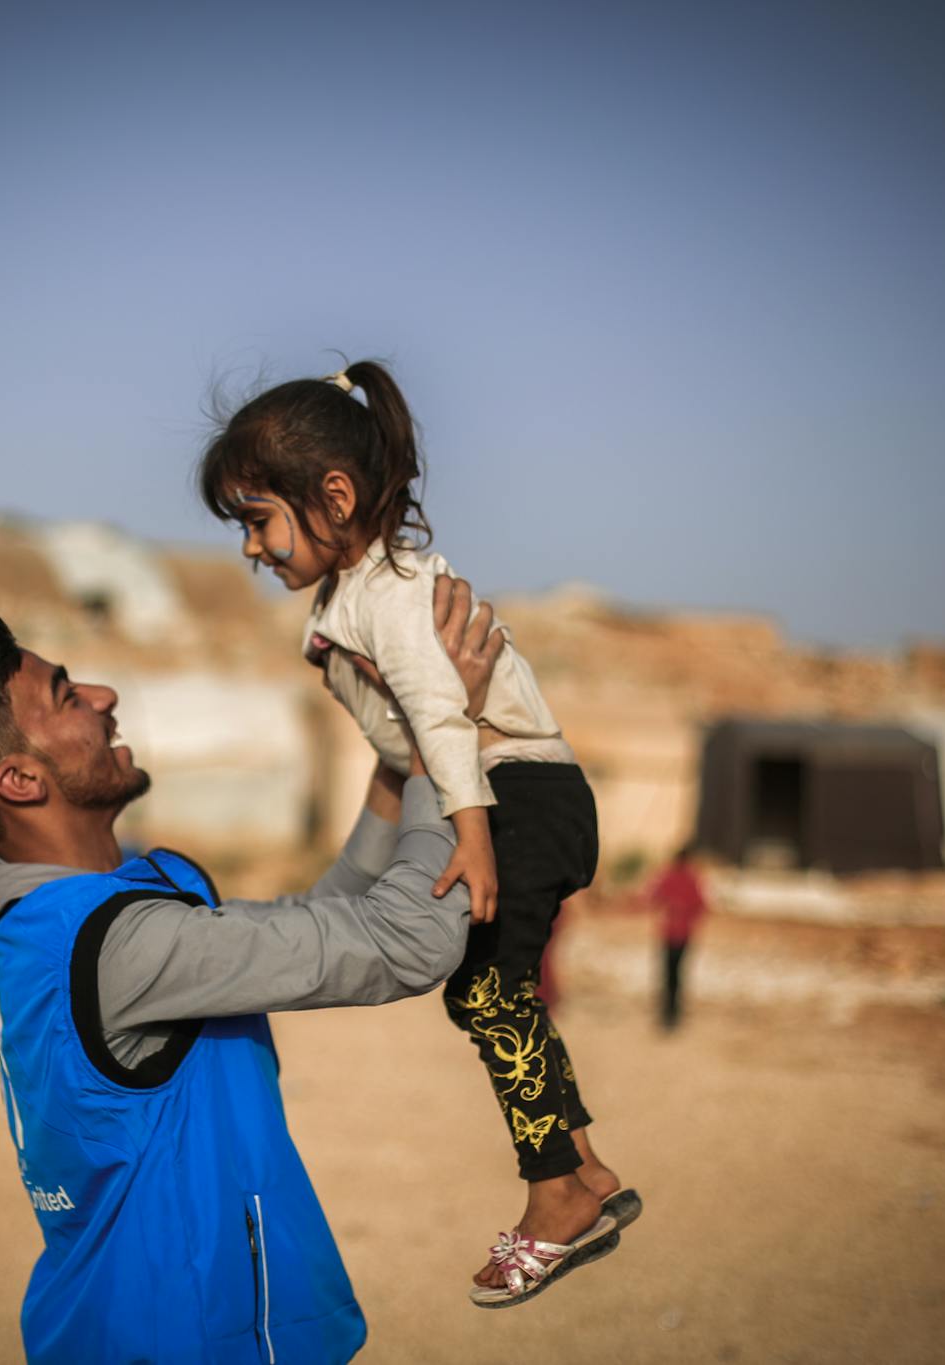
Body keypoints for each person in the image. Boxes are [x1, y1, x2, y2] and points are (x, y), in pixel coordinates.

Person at [0, 581, 582, 1363]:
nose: (104, 696)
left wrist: (392, 770)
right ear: (20, 780)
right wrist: (441, 737)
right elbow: (406, 940)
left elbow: (311, 929)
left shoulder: (69, 922)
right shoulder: (115, 944)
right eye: (67, 695)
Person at [197, 361, 638, 1307]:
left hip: (518, 793)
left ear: (335, 497)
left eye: (257, 518)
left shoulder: (394, 596)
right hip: (501, 791)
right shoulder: (345, 601)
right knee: (492, 988)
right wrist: (348, 888)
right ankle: (579, 1172)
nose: (248, 547)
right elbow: (399, 758)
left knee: (482, 987)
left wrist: (470, 834)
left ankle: (558, 1187)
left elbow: (442, 721)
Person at [641, 845, 709, 1031]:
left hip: (670, 932)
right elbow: (701, 906)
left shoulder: (668, 876)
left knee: (668, 973)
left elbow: (651, 897)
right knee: (677, 974)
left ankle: (667, 1014)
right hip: (683, 934)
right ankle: (673, 1013)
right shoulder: (693, 879)